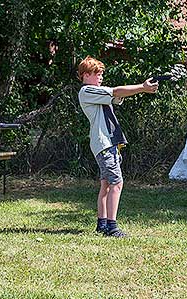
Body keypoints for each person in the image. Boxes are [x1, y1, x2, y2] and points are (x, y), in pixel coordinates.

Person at [77, 55, 158, 237]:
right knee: (117, 183)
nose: (101, 77)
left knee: (106, 185)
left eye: (101, 74)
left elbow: (118, 95)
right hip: (104, 144)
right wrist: (143, 88)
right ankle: (112, 228)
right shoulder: (87, 91)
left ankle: (102, 225)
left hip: (107, 144)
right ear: (86, 75)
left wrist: (142, 88)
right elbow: (115, 92)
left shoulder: (95, 93)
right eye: (97, 73)